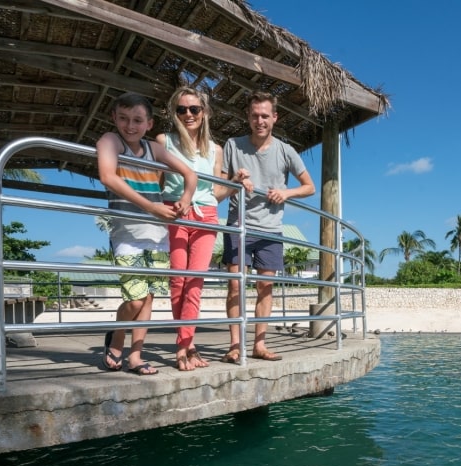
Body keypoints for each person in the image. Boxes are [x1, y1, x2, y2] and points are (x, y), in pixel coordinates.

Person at [96, 92, 197, 375]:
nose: (131, 125)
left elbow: (191, 175)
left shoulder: (154, 149)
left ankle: (135, 357)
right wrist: (151, 207)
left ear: (149, 123)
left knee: (149, 298)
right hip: (126, 234)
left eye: (138, 120)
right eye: (124, 118)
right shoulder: (110, 140)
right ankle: (116, 337)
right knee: (135, 299)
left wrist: (185, 200)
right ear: (114, 118)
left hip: (157, 236)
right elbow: (107, 176)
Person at [220, 91, 315, 363]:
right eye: (254, 115)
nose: (259, 120)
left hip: (271, 229)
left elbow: (310, 187)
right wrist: (235, 181)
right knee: (235, 287)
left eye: (264, 116)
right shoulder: (233, 145)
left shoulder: (286, 150)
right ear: (247, 117)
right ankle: (235, 345)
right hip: (239, 226)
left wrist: (286, 194)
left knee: (265, 286)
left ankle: (259, 345)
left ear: (274, 118)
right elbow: (217, 189)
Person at [156, 86, 228, 372]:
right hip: (176, 213)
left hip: (207, 216)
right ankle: (186, 344)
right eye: (182, 109)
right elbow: (156, 182)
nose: (188, 114)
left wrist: (236, 182)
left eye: (194, 109)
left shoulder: (215, 150)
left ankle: (184, 345)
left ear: (205, 112)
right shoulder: (164, 141)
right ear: (174, 113)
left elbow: (216, 191)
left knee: (194, 283)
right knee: (178, 282)